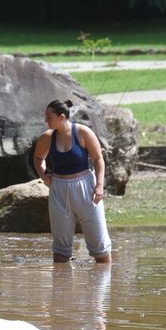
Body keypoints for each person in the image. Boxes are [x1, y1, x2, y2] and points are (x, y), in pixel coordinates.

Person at [33, 99, 112, 264]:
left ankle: (103, 286)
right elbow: (38, 158)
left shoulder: (83, 132)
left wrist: (99, 186)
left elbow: (98, 159)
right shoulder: (47, 137)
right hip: (59, 190)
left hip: (85, 187)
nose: (46, 120)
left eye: (49, 117)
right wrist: (43, 175)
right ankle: (61, 287)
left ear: (61, 117)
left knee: (100, 247)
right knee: (61, 249)